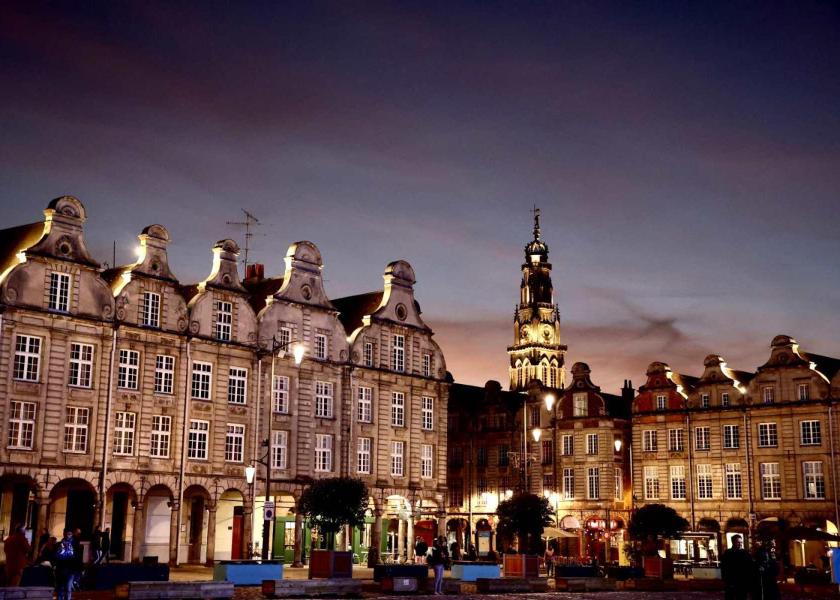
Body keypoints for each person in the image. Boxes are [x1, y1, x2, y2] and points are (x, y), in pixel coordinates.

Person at [721, 535, 753, 600]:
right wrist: (726, 580)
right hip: (731, 581)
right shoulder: (728, 553)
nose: (740, 544)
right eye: (738, 542)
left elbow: (749, 567)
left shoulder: (745, 553)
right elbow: (724, 568)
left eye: (741, 542)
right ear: (733, 542)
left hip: (742, 582)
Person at [54, 529, 77, 600]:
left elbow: (76, 558)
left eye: (70, 534)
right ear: (64, 534)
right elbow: (56, 556)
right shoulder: (59, 544)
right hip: (61, 570)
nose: (68, 536)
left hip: (70, 570)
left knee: (68, 589)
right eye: (67, 534)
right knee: (60, 589)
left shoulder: (75, 545)